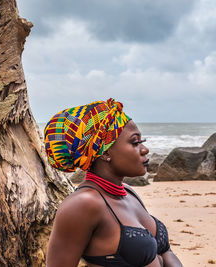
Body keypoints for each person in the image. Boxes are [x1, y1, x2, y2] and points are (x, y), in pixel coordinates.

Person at [44, 99, 182, 267]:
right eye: (135, 142)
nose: (145, 150)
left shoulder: (127, 192)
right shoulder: (82, 204)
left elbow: (164, 252)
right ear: (105, 153)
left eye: (142, 142)